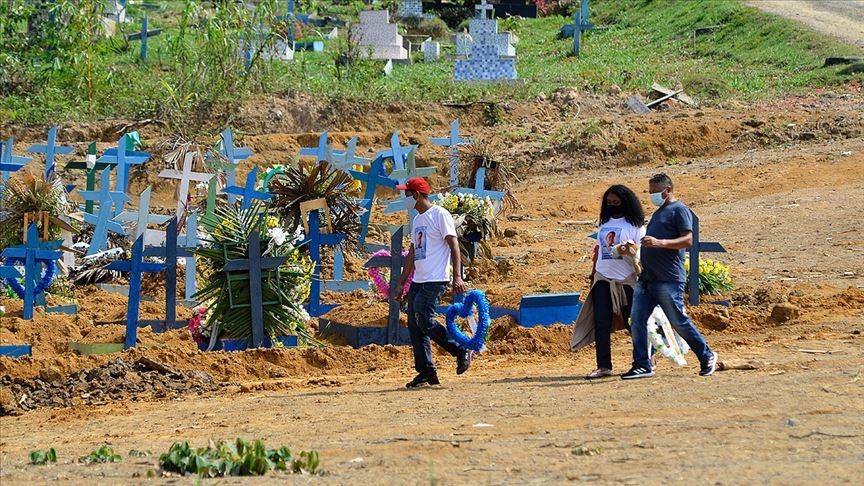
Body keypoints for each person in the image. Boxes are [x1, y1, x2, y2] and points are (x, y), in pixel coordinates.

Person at [622, 173, 718, 379]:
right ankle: (642, 364)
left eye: (655, 191)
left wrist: (660, 243)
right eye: (650, 191)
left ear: (668, 190)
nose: (652, 195)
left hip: (668, 278)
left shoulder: (679, 209)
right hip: (647, 278)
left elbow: (688, 240)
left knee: (678, 321)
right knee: (636, 320)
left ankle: (707, 355)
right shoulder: (659, 213)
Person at [394, 177, 472, 388]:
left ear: (417, 195)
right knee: (415, 326)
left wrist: (457, 276)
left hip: (436, 279)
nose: (405, 198)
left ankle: (460, 349)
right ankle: (426, 372)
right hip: (419, 280)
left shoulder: (439, 214)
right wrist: (402, 283)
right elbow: (412, 253)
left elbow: (454, 245)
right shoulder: (417, 220)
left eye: (407, 194)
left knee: (424, 318)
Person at [571, 185, 645, 378]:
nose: (612, 205)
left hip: (626, 280)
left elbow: (641, 254)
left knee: (633, 322)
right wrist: (593, 274)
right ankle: (604, 366)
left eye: (616, 202)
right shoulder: (603, 224)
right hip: (603, 278)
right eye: (609, 202)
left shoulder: (635, 226)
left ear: (625, 203)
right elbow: (599, 251)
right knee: (601, 322)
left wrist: (629, 251)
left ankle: (644, 360)